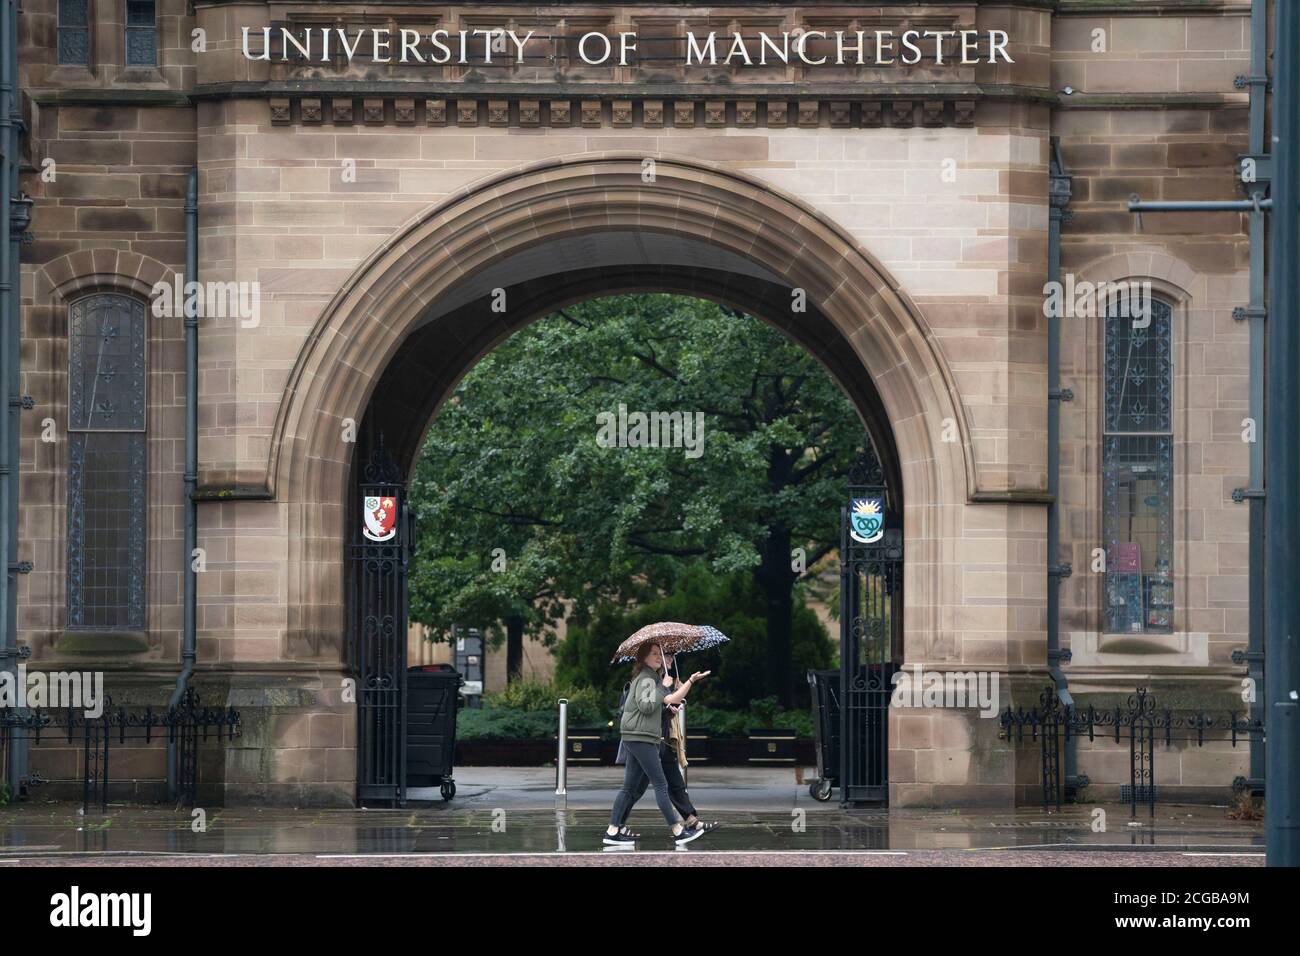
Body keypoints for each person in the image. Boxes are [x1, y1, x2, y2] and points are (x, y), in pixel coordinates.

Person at [604, 643, 710, 847]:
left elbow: (670, 699)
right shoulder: (646, 679)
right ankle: (678, 831)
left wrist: (688, 683)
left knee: (630, 788)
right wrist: (665, 686)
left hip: (638, 737)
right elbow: (647, 706)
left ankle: (612, 830)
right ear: (643, 658)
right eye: (654, 654)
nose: (659, 657)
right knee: (661, 785)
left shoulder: (651, 678)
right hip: (641, 738)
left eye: (659, 654)